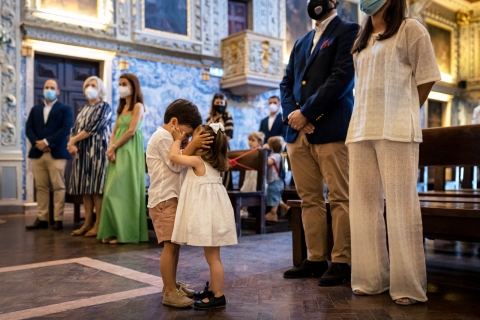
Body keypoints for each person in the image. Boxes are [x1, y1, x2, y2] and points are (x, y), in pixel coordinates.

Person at [347, 0, 441, 306]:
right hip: (361, 127)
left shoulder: (411, 29)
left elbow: (426, 77)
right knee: (363, 207)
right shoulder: (360, 41)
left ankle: (407, 285)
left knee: (401, 207)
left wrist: (405, 110)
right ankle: (371, 279)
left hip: (397, 128)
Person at [280, 0, 359, 286]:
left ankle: (341, 260)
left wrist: (307, 113)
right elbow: (286, 83)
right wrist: (293, 116)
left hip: (331, 128)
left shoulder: (349, 30)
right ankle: (315, 258)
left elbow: (342, 79)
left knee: (340, 196)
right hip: (297, 133)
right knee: (309, 199)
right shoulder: (301, 42)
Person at [146, 99, 212, 308]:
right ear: (174, 122)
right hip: (164, 198)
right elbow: (175, 164)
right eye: (187, 133)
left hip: (172, 197)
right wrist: (191, 146)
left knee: (174, 246)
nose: (188, 138)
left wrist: (186, 144)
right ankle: (168, 292)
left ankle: (172, 285)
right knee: (169, 246)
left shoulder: (168, 137)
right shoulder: (162, 137)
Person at [170, 123, 237, 310]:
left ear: (204, 144)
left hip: (210, 217)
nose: (192, 141)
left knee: (213, 259)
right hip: (215, 215)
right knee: (213, 257)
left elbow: (174, 157)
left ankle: (218, 296)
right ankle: (214, 290)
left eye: (195, 138)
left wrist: (177, 140)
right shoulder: (214, 164)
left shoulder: (199, 161)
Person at [97, 74, 148, 244]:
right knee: (111, 191)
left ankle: (125, 234)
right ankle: (112, 231)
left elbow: (131, 131)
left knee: (124, 191)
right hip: (117, 151)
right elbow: (114, 131)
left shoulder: (138, 106)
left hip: (129, 151)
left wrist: (114, 147)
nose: (121, 87)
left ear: (133, 86)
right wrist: (111, 149)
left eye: (124, 84)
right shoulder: (121, 108)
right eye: (119, 84)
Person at [25, 79, 74, 231]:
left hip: (57, 153)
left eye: (52, 88)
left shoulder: (65, 109)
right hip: (37, 153)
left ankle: (58, 219)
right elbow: (29, 129)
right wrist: (38, 143)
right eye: (47, 87)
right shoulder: (35, 109)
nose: (49, 90)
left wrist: (47, 142)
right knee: (41, 187)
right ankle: (42, 218)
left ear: (58, 91)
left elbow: (66, 129)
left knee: (59, 187)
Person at [68, 76, 112, 237]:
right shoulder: (83, 109)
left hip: (98, 153)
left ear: (100, 89)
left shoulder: (104, 107)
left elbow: (93, 127)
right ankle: (87, 223)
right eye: (87, 85)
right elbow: (75, 129)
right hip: (82, 154)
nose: (90, 88)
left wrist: (73, 140)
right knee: (85, 189)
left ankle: (99, 224)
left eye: (93, 85)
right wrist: (71, 145)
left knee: (96, 189)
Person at [239, 131, 265, 218]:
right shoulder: (249, 151)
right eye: (249, 140)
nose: (250, 142)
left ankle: (251, 211)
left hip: (256, 175)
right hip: (249, 175)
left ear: (259, 142)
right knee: (246, 188)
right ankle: (244, 210)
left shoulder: (261, 151)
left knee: (252, 188)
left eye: (253, 140)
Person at [264, 136, 289, 222]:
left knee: (273, 196)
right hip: (278, 181)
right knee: (276, 196)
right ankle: (283, 206)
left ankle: (273, 214)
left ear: (272, 146)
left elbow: (267, 162)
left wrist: (264, 152)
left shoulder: (275, 156)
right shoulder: (280, 155)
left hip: (275, 181)